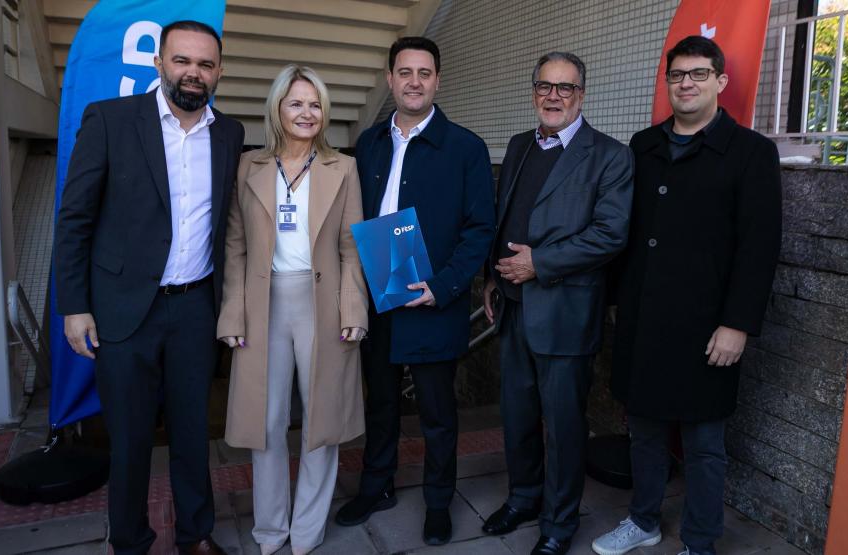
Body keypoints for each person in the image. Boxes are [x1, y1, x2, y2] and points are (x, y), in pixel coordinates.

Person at [54, 20, 244, 555]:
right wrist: (75, 306)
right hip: (122, 310)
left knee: (191, 435)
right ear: (159, 63)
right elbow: (75, 219)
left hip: (194, 310)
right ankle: (131, 543)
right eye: (182, 60)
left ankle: (195, 535)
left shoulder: (229, 134)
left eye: (205, 64)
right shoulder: (111, 120)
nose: (193, 73)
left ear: (219, 72)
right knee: (130, 442)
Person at [591, 36, 781, 555]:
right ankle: (643, 521)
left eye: (698, 74)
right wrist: (612, 302)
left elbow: (759, 248)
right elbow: (625, 234)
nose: (686, 84)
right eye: (677, 75)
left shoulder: (751, 154)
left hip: (708, 325)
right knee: (645, 432)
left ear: (721, 81)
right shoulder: (644, 146)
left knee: (703, 443)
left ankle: (700, 541)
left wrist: (737, 323)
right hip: (644, 319)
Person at [334, 36, 495, 545]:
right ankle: (376, 485)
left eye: (424, 73)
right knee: (379, 403)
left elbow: (479, 230)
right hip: (379, 295)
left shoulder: (466, 147)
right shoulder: (370, 143)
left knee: (436, 413)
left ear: (437, 81)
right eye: (405, 72)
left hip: (433, 299)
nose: (414, 81)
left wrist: (444, 286)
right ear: (390, 79)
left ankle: (438, 502)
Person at [480, 52, 634, 555]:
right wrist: (491, 278)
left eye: (565, 88)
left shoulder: (610, 155)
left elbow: (610, 235)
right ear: (533, 92)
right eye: (545, 86)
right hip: (512, 305)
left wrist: (539, 263)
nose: (553, 96)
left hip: (565, 311)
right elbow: (505, 218)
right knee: (518, 416)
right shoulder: (522, 144)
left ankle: (559, 524)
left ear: (581, 96)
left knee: (564, 426)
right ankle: (523, 498)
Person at [217, 64, 368, 555]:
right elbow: (235, 249)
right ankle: (269, 528)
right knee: (266, 422)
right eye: (297, 103)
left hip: (322, 304)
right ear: (278, 110)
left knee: (322, 420)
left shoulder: (342, 167)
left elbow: (351, 246)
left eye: (316, 104)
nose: (307, 113)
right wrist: (233, 315)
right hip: (264, 304)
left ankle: (306, 528)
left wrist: (353, 310)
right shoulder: (249, 167)